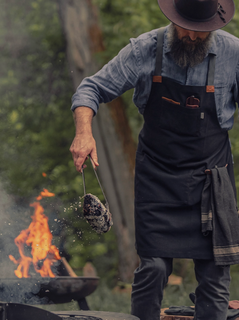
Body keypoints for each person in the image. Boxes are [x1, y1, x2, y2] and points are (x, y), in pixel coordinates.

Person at [70, 0, 239, 319]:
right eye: (185, 27)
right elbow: (91, 88)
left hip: (211, 179)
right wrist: (83, 133)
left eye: (201, 32)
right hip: (157, 177)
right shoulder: (145, 49)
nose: (191, 36)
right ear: (173, 18)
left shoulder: (234, 54)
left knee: (215, 277)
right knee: (153, 268)